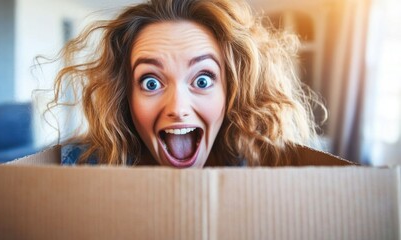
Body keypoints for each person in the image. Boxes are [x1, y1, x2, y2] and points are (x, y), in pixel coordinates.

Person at [48, 0, 330, 167]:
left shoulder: (262, 171)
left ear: (232, 91)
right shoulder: (80, 169)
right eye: (150, 82)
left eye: (203, 80)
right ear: (125, 97)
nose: (178, 108)